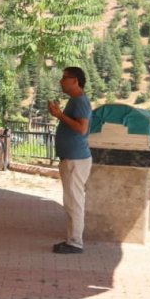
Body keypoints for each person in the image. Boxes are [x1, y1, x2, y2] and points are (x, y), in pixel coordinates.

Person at [51, 66, 93, 255]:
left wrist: (59, 115)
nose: (61, 81)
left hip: (75, 160)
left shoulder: (80, 101)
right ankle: (72, 239)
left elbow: (82, 129)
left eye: (65, 77)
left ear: (75, 80)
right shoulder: (75, 101)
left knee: (74, 202)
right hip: (72, 159)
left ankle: (75, 243)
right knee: (71, 201)